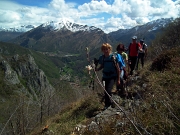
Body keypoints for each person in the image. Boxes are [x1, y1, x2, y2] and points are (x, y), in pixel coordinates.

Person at [95, 43, 120, 109]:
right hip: (105, 77)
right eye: (104, 49)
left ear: (109, 49)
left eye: (107, 49)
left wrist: (118, 79)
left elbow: (118, 69)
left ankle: (109, 103)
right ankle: (107, 104)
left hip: (112, 76)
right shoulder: (102, 58)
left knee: (108, 90)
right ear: (102, 50)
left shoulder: (113, 57)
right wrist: (97, 69)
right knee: (105, 90)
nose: (105, 51)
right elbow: (102, 65)